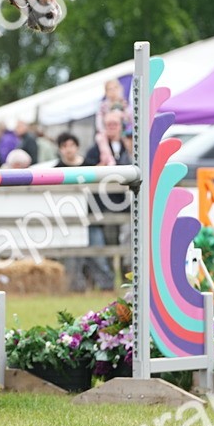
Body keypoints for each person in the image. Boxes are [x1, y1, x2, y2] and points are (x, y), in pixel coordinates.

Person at [83, 113, 130, 292]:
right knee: (109, 245)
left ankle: (128, 280)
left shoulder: (128, 145)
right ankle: (109, 283)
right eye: (108, 124)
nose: (111, 127)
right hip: (105, 204)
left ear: (120, 126)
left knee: (127, 246)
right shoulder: (95, 149)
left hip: (125, 203)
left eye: (114, 124)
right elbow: (86, 171)